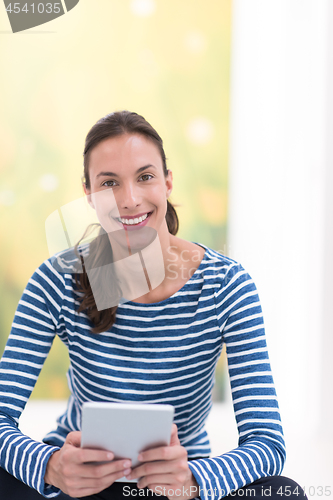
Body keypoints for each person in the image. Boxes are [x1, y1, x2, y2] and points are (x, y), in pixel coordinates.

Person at [0, 111, 306, 500]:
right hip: (78, 487)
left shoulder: (226, 285)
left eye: (145, 177)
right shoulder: (57, 280)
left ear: (167, 182)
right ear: (90, 195)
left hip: (173, 490)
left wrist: (194, 480)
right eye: (109, 183)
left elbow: (266, 443)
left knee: (281, 493)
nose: (129, 200)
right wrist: (50, 466)